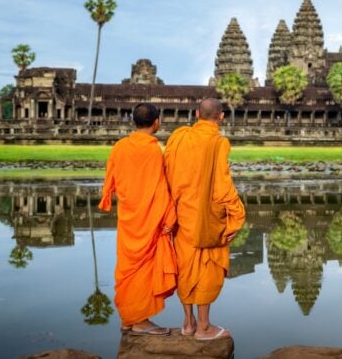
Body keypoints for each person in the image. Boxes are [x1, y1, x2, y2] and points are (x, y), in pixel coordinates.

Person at [164, 98, 246, 340]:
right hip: (206, 217)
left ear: (197, 113)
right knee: (205, 267)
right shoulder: (218, 142)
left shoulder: (178, 137)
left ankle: (187, 323)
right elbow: (222, 186)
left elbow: (167, 172)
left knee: (185, 266)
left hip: (180, 214)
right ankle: (203, 326)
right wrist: (237, 215)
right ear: (221, 117)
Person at [99, 103, 177, 336]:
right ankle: (139, 320)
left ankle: (129, 318)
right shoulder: (153, 150)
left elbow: (110, 179)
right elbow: (159, 187)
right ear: (156, 122)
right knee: (143, 268)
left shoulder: (120, 146)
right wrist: (169, 217)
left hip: (129, 216)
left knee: (128, 267)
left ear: (134, 121)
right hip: (149, 218)